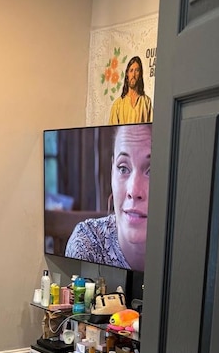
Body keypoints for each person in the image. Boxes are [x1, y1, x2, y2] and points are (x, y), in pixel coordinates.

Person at [64, 123, 151, 271]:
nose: (133, 191)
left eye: (151, 170)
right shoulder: (87, 242)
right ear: (112, 171)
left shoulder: (192, 250)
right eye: (123, 168)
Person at [109, 56, 153, 125]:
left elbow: (152, 130)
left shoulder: (146, 102)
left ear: (140, 74)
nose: (133, 75)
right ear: (127, 74)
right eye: (131, 70)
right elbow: (112, 133)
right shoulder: (117, 105)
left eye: (137, 70)